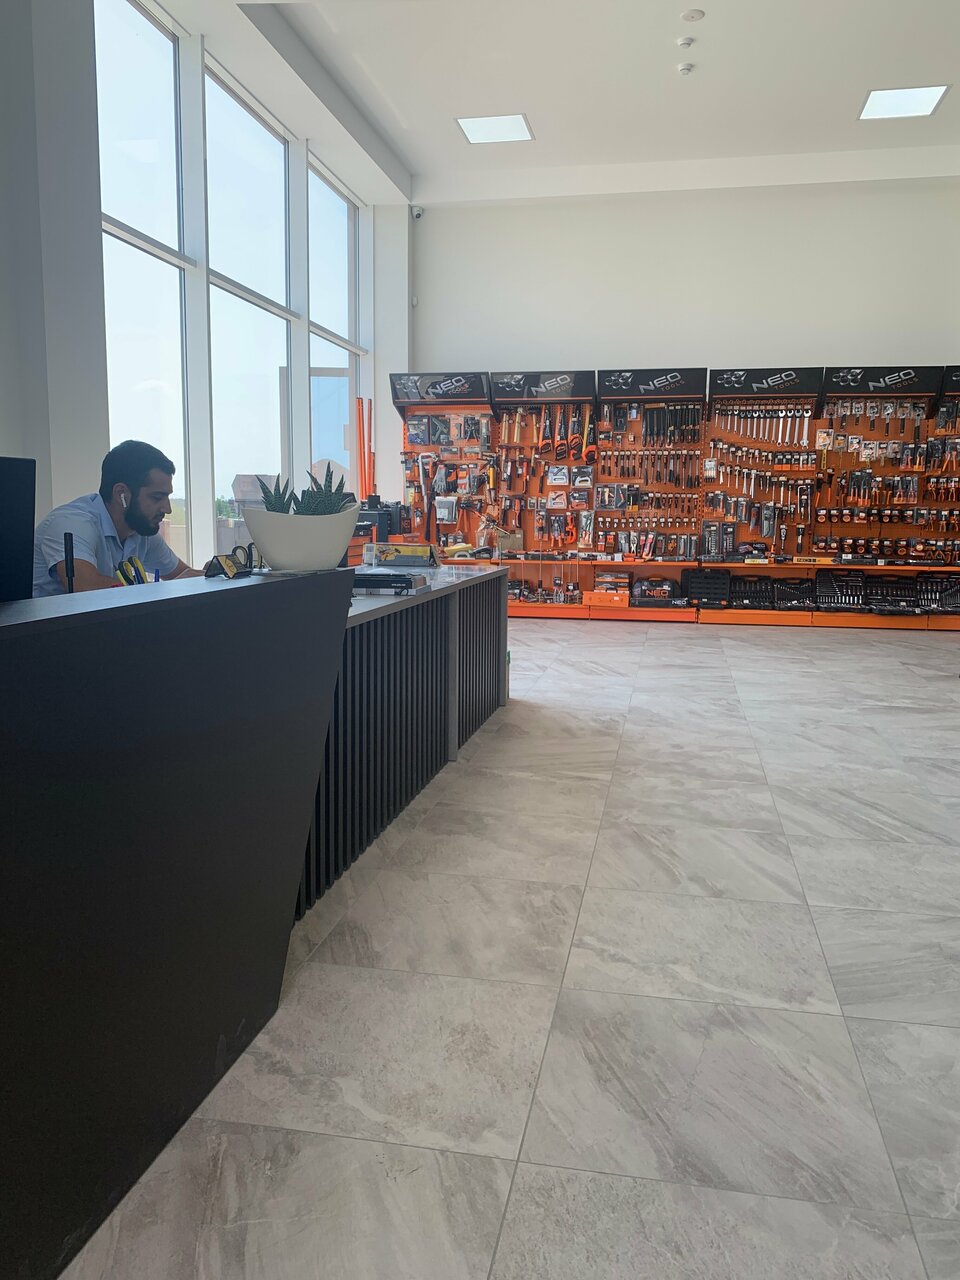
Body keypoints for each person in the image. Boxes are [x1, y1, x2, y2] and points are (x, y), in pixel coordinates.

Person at [33, 440, 203, 597]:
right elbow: (85, 588)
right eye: (157, 497)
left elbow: (182, 576)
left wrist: (211, 576)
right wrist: (168, 588)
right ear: (121, 493)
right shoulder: (71, 523)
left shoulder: (140, 528)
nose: (167, 508)